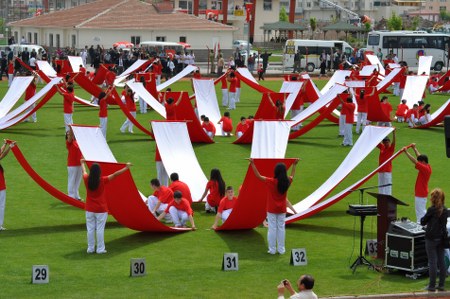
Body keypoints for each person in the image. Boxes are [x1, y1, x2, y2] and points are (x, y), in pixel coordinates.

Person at [81, 159, 131, 253]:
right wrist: (126, 168)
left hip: (89, 209)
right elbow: (115, 174)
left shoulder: (86, 179)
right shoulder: (102, 180)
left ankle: (90, 248)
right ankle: (100, 249)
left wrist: (82, 163)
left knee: (90, 229)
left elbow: (84, 171)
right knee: (100, 229)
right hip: (101, 209)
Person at [250, 159, 299, 254]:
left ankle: (272, 250)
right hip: (282, 209)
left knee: (272, 229)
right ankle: (281, 249)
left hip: (271, 209)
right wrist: (294, 165)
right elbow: (292, 175)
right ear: (284, 172)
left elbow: (258, 176)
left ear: (276, 171)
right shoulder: (287, 181)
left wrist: (252, 164)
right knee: (281, 228)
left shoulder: (271, 181)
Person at [421, 188, 448, 292]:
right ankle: (441, 285)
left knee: (432, 262)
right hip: (441, 238)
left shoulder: (431, 210)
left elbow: (423, 221)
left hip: (431, 239)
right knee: (441, 261)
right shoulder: (445, 210)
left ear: (433, 198)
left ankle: (431, 286)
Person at [404, 144, 432, 223]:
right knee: (421, 211)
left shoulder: (424, 168)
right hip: (422, 193)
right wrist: (414, 148)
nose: (419, 163)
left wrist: (406, 152)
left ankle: (420, 227)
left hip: (420, 194)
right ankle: (425, 224)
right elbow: (419, 158)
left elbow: (415, 161)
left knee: (420, 213)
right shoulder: (427, 166)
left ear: (423, 162)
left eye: (420, 162)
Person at [0, 141, 15, 231]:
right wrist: (8, 146)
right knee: (1, 206)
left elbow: (2, 153)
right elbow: (2, 154)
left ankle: (0, 225)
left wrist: (7, 146)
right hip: (1, 187)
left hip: (2, 187)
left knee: (1, 206)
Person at [66, 128, 83, 201]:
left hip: (80, 164)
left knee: (78, 181)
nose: (69, 134)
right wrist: (71, 129)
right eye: (67, 134)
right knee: (72, 180)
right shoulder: (69, 142)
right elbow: (70, 136)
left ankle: (76, 195)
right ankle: (71, 196)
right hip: (72, 165)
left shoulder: (78, 141)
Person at [377, 131, 395, 195]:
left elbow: (394, 142)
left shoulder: (391, 148)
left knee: (388, 186)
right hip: (380, 169)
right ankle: (381, 197)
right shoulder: (382, 147)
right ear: (383, 143)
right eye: (385, 142)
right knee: (380, 185)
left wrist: (394, 133)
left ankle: (388, 198)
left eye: (388, 142)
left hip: (387, 170)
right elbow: (376, 142)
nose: (387, 144)